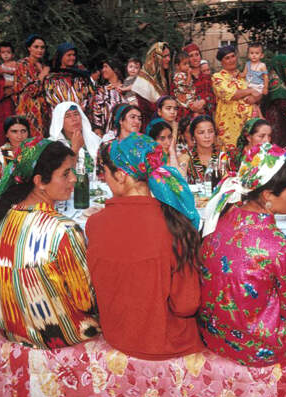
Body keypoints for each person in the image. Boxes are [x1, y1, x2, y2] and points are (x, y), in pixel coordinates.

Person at [86, 133, 203, 359]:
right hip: (167, 341)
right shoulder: (175, 225)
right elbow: (187, 305)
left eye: (105, 173)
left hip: (118, 334)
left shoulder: (95, 224)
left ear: (121, 176)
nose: (104, 179)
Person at [0, 137, 99, 349]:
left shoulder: (1, 218)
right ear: (40, 181)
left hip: (10, 327)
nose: (74, 179)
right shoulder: (63, 230)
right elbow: (85, 301)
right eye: (65, 173)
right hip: (55, 333)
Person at [199, 143, 286, 366]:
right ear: (267, 194)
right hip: (259, 348)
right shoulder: (284, 248)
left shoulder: (218, 220)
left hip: (214, 335)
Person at [43, 43, 97, 132]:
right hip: (61, 119)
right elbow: (50, 99)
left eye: (74, 55)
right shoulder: (51, 78)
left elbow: (90, 95)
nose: (72, 58)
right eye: (69, 55)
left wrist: (80, 109)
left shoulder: (81, 76)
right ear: (61, 57)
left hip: (81, 117)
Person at [212, 45, 257, 147]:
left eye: (233, 56)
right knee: (229, 152)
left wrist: (253, 96)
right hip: (228, 126)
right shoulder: (218, 77)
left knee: (249, 152)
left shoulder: (243, 76)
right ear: (221, 62)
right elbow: (231, 94)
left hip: (248, 123)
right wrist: (250, 91)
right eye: (227, 58)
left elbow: (258, 94)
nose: (231, 60)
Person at [49, 102, 101, 176]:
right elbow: (60, 172)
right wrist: (75, 148)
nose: (74, 119)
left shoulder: (94, 139)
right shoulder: (52, 145)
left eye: (76, 114)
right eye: (68, 116)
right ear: (60, 122)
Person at [14, 34, 50, 138]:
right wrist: (43, 74)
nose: (40, 50)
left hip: (43, 111)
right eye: (36, 47)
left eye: (42, 47)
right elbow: (32, 91)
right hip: (28, 109)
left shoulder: (43, 65)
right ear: (29, 48)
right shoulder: (23, 64)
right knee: (30, 141)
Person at [131, 42, 171, 130]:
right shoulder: (143, 81)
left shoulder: (165, 78)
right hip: (150, 127)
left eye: (169, 55)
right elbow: (145, 109)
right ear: (156, 58)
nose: (168, 59)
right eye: (165, 56)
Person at [264, 54, 286, 147]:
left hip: (282, 120)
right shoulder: (275, 81)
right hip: (276, 121)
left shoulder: (283, 80)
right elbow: (282, 103)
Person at [182, 43, 215, 117]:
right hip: (189, 118)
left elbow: (213, 98)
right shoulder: (182, 78)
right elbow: (179, 99)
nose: (195, 58)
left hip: (206, 118)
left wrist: (204, 101)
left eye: (197, 54)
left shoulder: (207, 77)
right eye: (191, 56)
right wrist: (192, 107)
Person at [186, 115, 220, 182]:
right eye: (201, 132)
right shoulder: (187, 158)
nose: (207, 136)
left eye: (210, 131)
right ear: (193, 136)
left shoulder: (223, 157)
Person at [170, 51, 197, 120]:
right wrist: (189, 75)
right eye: (185, 64)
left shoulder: (184, 74)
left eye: (188, 63)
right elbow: (185, 88)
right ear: (177, 66)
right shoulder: (178, 76)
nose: (188, 66)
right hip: (184, 103)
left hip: (189, 101)